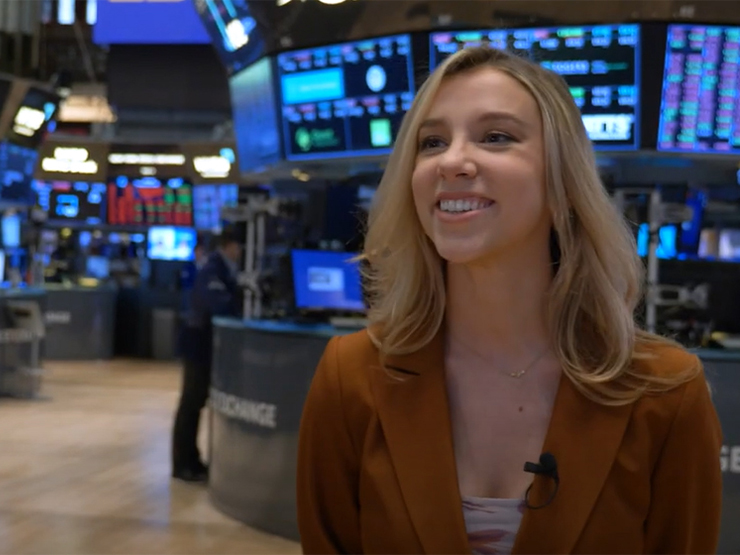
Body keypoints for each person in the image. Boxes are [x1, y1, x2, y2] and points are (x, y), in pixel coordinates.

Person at [296, 46, 723, 554]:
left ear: (562, 185)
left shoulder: (665, 394)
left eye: (496, 137)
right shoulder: (350, 379)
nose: (452, 160)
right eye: (431, 142)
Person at [172, 230, 243, 482]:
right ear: (229, 245)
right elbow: (218, 304)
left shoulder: (223, 269)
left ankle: (191, 461)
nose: (241, 251)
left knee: (194, 403)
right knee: (190, 404)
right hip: (198, 344)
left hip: (203, 344)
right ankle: (183, 464)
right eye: (239, 245)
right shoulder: (213, 269)